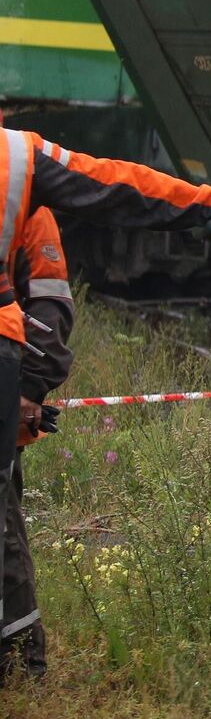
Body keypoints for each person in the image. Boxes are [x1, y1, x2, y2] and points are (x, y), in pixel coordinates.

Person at [0, 129, 211, 682]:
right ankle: (20, 665)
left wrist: (31, 387)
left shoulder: (21, 172)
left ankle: (20, 665)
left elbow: (54, 295)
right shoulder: (17, 157)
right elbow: (115, 184)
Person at [1, 209, 72, 681]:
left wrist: (29, 389)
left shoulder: (27, 207)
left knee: (3, 534)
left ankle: (23, 665)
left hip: (6, 393)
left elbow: (51, 310)